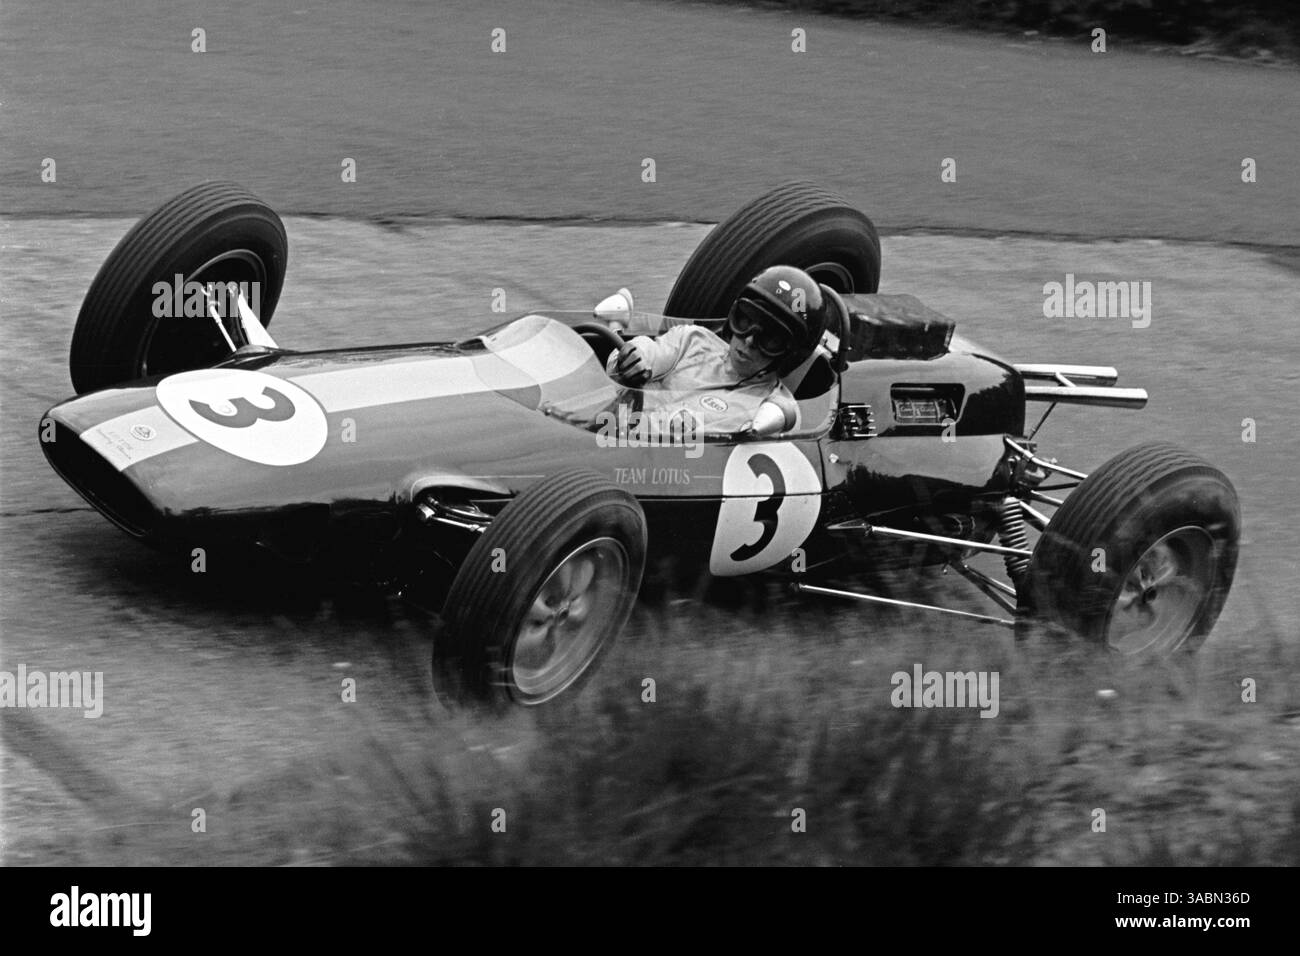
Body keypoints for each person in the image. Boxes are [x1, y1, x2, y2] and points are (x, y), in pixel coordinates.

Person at [605, 265, 829, 434]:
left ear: (790, 353)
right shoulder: (692, 340)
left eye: (769, 338)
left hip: (665, 472)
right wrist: (634, 355)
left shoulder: (770, 406)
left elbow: (790, 416)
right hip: (604, 432)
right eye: (745, 320)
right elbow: (651, 352)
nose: (749, 340)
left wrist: (783, 416)